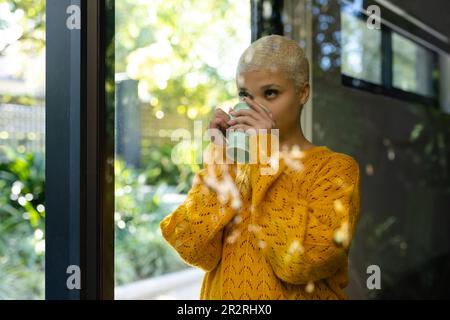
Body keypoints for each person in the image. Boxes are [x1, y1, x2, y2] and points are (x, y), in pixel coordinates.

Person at [160, 34, 361, 299]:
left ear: (303, 93)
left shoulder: (336, 170)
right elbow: (192, 247)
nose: (253, 107)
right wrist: (221, 160)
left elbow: (303, 261)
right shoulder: (235, 167)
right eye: (245, 95)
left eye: (270, 93)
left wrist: (268, 157)